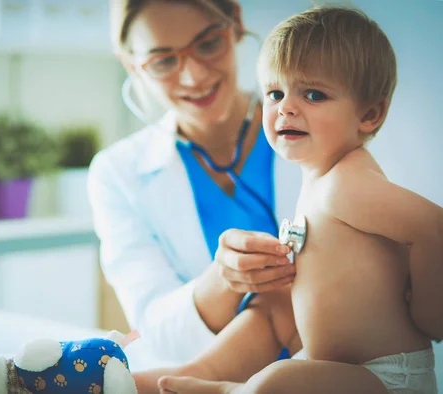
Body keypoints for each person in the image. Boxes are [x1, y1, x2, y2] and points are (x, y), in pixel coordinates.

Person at [148, 6, 443, 394]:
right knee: (281, 356)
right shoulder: (321, 179)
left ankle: (224, 391)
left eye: (314, 93)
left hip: (386, 378)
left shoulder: (346, 183)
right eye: (274, 92)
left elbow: (433, 224)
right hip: (341, 372)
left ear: (369, 114)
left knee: (276, 380)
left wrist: (429, 312)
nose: (285, 107)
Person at [88, 0, 296, 369]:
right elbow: (157, 333)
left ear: (234, 22)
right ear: (131, 65)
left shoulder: (316, 124)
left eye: (208, 43)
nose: (194, 76)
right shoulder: (117, 174)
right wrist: (224, 279)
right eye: (164, 61)